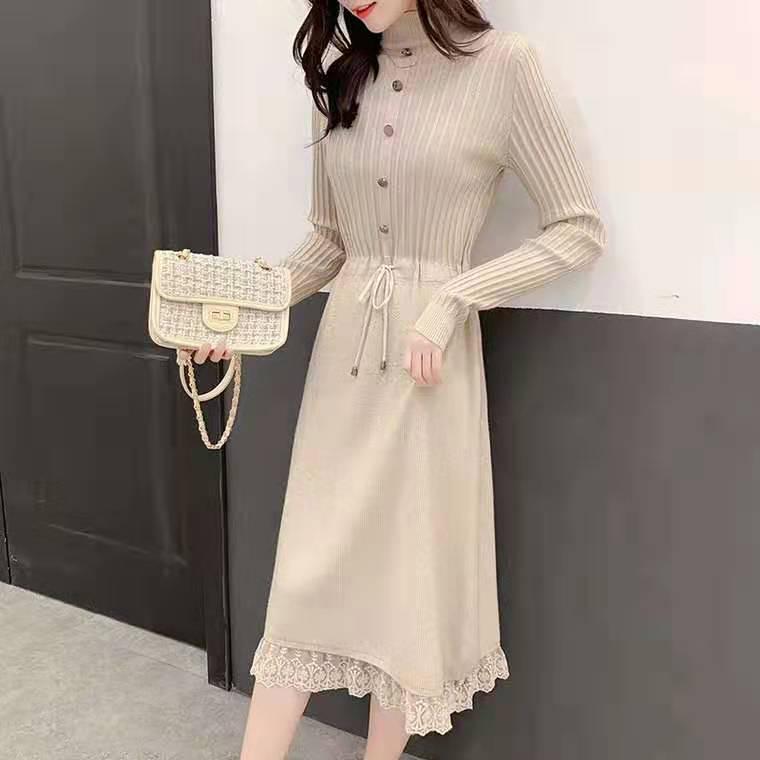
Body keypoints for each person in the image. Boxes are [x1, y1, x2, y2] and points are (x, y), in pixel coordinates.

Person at [186, 1, 606, 758]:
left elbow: (577, 228)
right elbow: (328, 242)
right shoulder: (346, 75)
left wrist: (454, 298)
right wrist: (239, 316)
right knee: (307, 573)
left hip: (428, 366)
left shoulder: (505, 67)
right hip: (344, 356)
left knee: (406, 580)